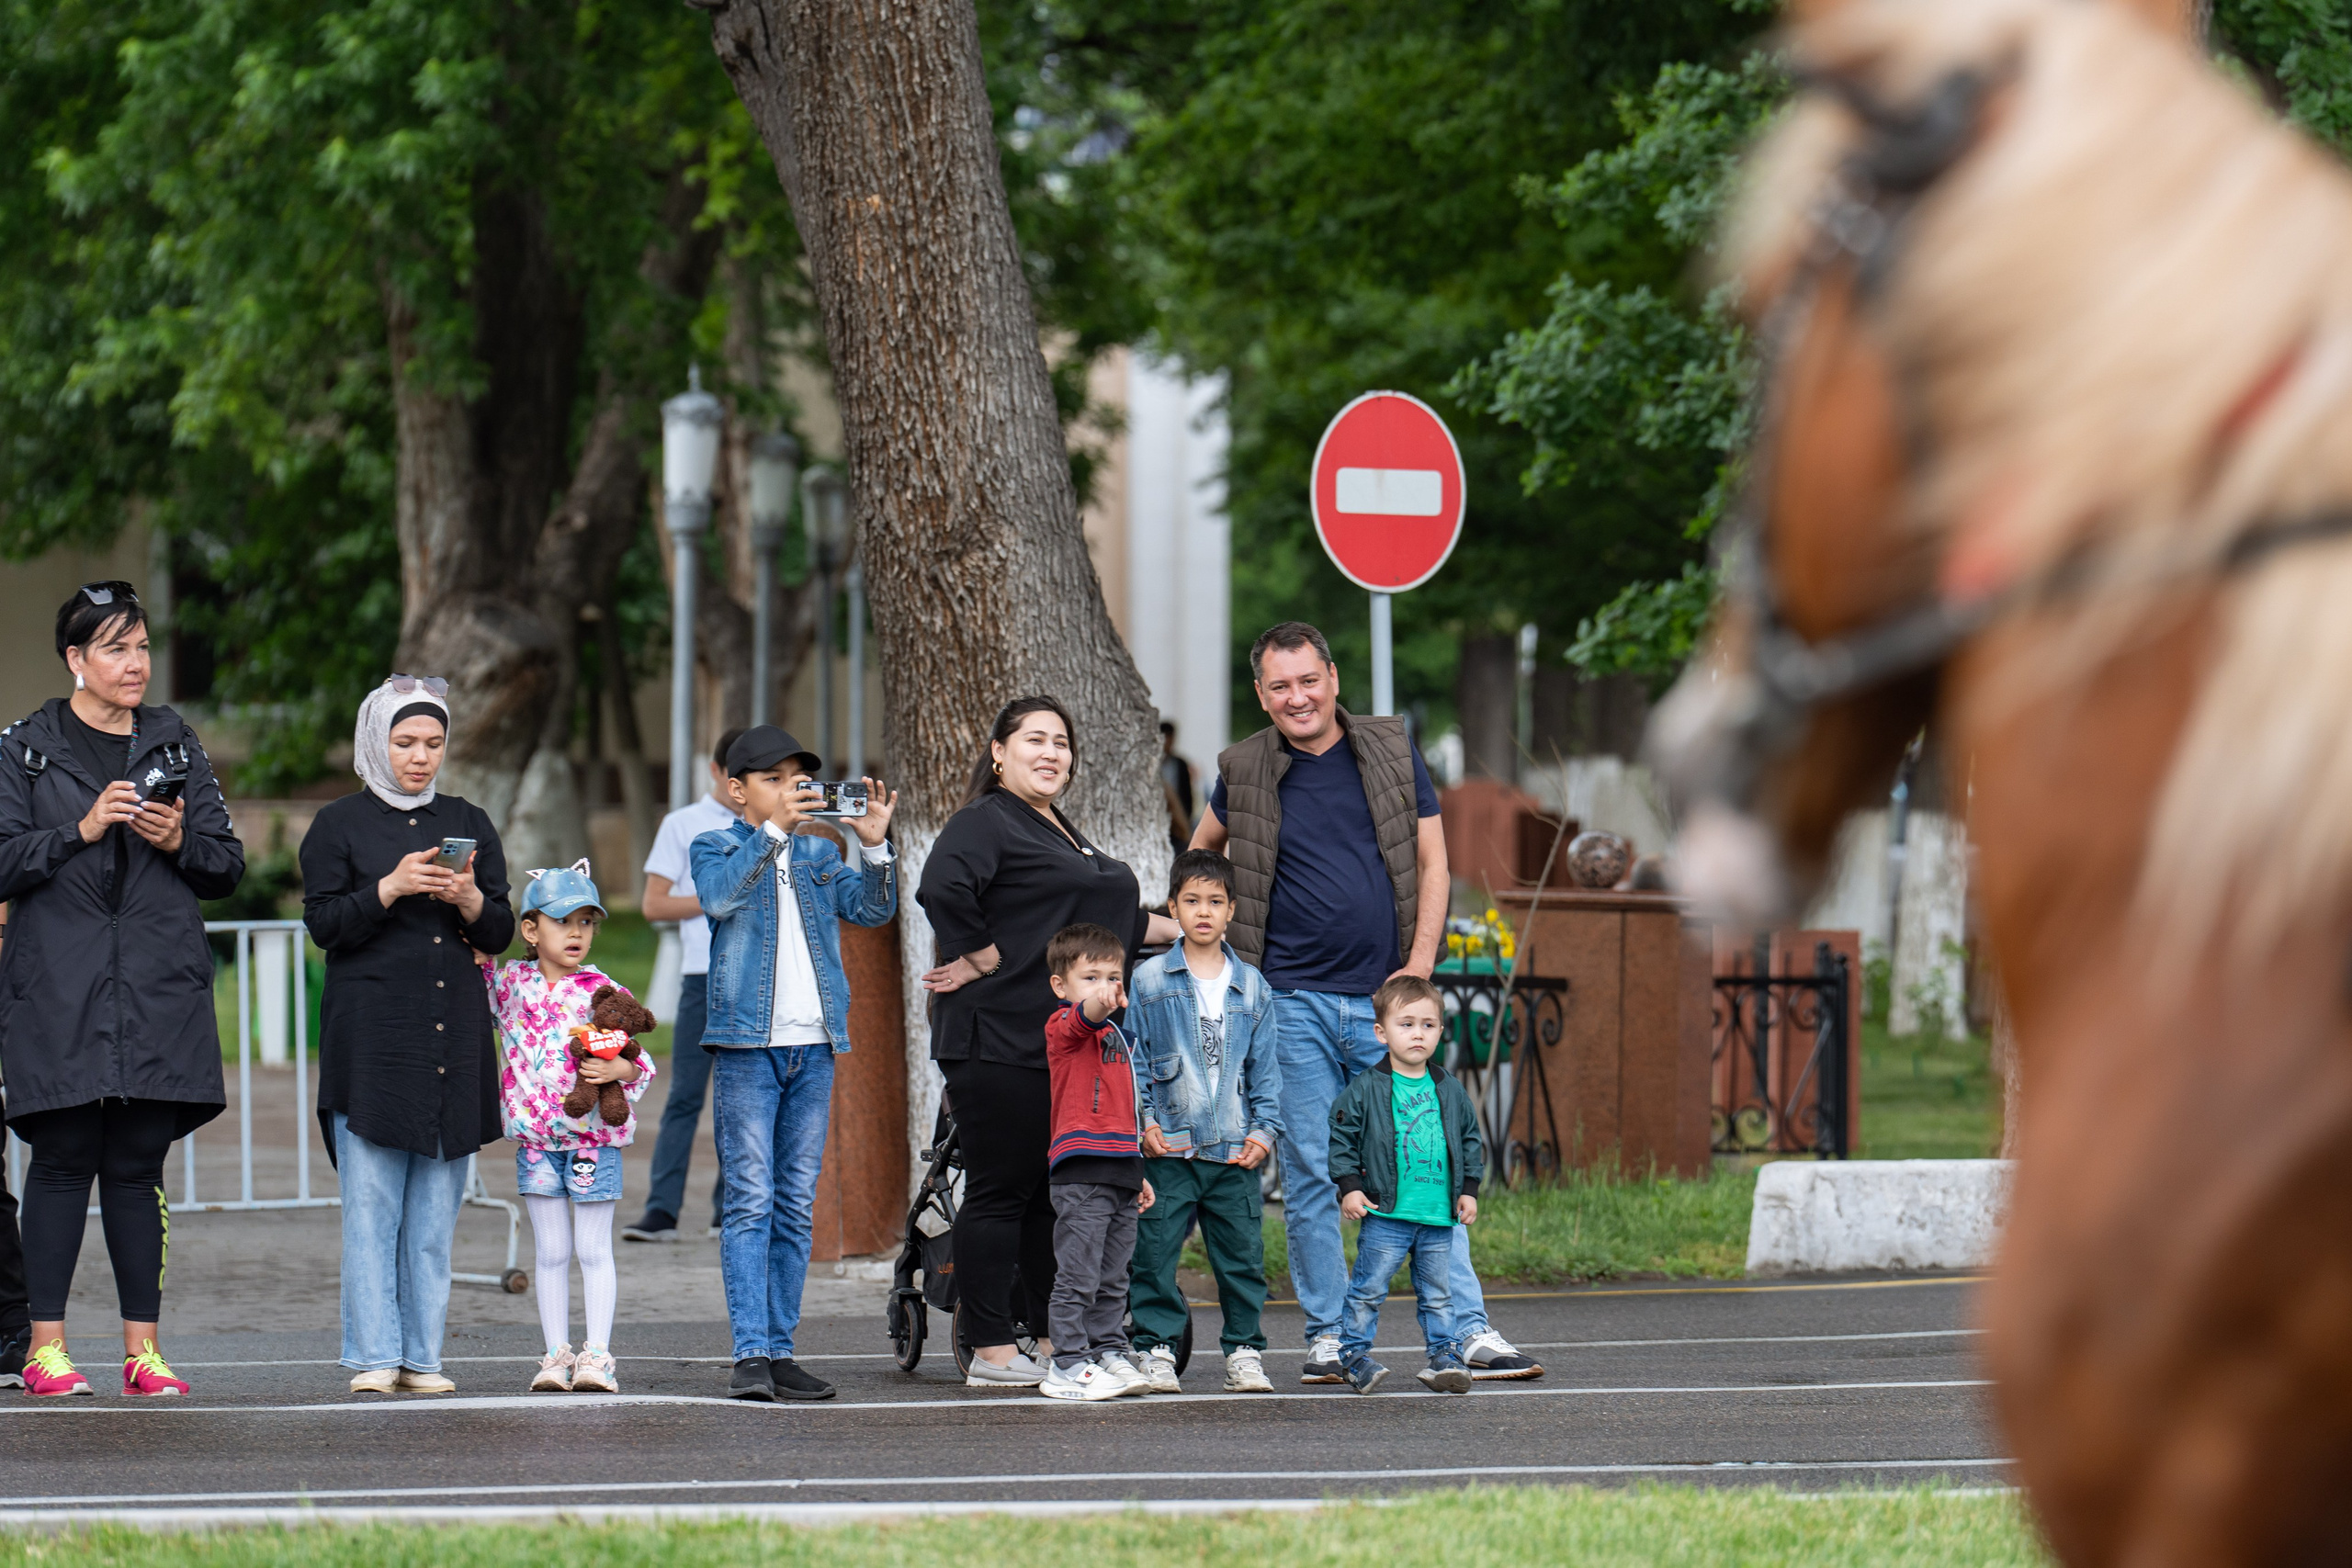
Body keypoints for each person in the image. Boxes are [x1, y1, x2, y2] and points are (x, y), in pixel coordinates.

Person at [1193, 620, 1541, 1383]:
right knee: (1317, 1170)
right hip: (1288, 1003)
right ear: (1261, 693)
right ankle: (1326, 1336)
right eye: (1279, 686)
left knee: (1428, 1160)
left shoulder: (1387, 748)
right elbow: (1202, 853)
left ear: (1334, 677)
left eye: (1307, 680)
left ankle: (1469, 1328)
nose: (1297, 697)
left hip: (1385, 1004)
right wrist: (1218, 940)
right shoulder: (1244, 766)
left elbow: (1433, 861)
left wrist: (1414, 971)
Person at [0, 582, 244, 1398]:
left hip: (156, 990)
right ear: (76, 659)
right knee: (63, 1161)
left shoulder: (176, 742)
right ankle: (47, 1349)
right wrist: (80, 829)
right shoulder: (24, 747)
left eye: (141, 646)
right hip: (59, 990)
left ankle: (144, 1353)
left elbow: (227, 862)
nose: (135, 663)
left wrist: (181, 838)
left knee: (139, 1167)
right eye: (115, 648)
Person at [917, 696, 1181, 1389]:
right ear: (998, 751)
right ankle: (992, 1351)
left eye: (1061, 741)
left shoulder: (1058, 827)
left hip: (1058, 1043)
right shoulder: (985, 819)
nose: (1051, 752)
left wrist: (1188, 931)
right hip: (994, 1036)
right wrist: (981, 956)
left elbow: (1101, 913)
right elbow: (941, 885)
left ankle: (1051, 1339)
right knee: (1002, 1192)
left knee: (1044, 1198)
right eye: (1034, 739)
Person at [303, 675, 515, 1394]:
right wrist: (389, 888)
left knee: (433, 1213)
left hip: (449, 1034)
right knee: (372, 1208)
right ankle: (373, 1354)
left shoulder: (469, 819)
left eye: (433, 742)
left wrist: (471, 897)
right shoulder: (338, 824)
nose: (420, 757)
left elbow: (501, 932)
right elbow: (324, 924)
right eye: (404, 742)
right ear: (376, 742)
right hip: (370, 1035)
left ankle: (422, 1356)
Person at [691, 726, 898, 1404]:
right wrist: (772, 832)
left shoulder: (819, 849)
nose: (790, 790)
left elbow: (872, 907)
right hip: (748, 1048)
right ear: (737, 788)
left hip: (814, 1048)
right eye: (773, 779)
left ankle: (781, 1350)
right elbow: (720, 897)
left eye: (797, 779)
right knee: (750, 1200)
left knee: (794, 1205)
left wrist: (873, 844)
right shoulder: (717, 844)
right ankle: (749, 1352)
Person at [485, 862, 655, 1394]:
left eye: (587, 921)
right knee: (551, 1252)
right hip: (536, 1144)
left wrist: (619, 1070)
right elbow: (471, 975)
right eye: (564, 922)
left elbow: (641, 1063)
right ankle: (556, 1355)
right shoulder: (509, 983)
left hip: (592, 1143)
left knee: (593, 1250)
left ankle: (598, 1356)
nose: (577, 933)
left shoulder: (604, 990)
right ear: (531, 930)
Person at [1125, 848, 1282, 1394]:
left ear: (1232, 910)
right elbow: (1133, 1059)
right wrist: (1143, 1121)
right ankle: (1156, 1349)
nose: (1204, 911)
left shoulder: (1254, 987)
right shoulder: (1147, 981)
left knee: (1241, 1260)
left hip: (1236, 1152)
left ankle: (1244, 1352)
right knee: (1155, 1254)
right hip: (1170, 1149)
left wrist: (1265, 1133)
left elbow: (1266, 1071)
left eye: (1215, 901)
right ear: (1174, 907)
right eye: (1191, 901)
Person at [1328, 973, 1481, 1396]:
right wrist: (1350, 1186)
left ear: (1440, 1032)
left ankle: (1445, 1357)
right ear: (1381, 1032)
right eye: (1406, 1024)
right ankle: (1353, 1356)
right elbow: (1342, 1138)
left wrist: (1468, 1189)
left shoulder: (1449, 1089)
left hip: (1437, 1217)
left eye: (1428, 1025)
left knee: (1438, 1294)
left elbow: (1469, 1139)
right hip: (1387, 1214)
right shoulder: (1366, 1088)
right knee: (1368, 1290)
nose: (1418, 1034)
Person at [623, 727, 745, 1244]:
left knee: (742, 1099)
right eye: (737, 777)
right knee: (685, 1097)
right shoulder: (685, 824)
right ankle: (662, 1211)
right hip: (703, 974)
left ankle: (729, 1210)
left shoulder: (781, 825)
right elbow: (654, 904)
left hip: (759, 977)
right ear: (717, 773)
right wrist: (722, 895)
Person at [1037, 922, 1156, 1402]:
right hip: (1082, 1170)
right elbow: (1080, 1018)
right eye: (1092, 976)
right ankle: (1065, 1363)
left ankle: (1107, 1349)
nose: (1105, 986)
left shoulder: (1119, 1038)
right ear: (1061, 986)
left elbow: (1124, 1108)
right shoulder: (1064, 1028)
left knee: (1113, 1278)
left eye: (1113, 976)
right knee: (1079, 1275)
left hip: (1120, 1169)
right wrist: (1094, 1003)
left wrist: (1137, 1171)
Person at [1159, 719, 1195, 854]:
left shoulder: (1180, 763)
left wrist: (1186, 816)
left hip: (1178, 820)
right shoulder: (1153, 763)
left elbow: (1187, 793)